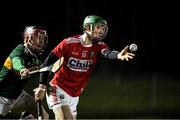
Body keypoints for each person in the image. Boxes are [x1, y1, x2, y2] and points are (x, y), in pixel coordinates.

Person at [34, 15, 136, 120]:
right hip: (58, 88)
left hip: (75, 95)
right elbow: (46, 64)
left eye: (103, 28)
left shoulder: (100, 46)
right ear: (87, 27)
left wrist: (118, 55)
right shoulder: (68, 43)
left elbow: (107, 53)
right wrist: (42, 86)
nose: (101, 31)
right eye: (98, 27)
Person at [0, 26, 49, 119]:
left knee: (44, 116)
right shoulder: (19, 50)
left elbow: (44, 70)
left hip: (19, 96)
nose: (42, 42)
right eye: (39, 38)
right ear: (28, 38)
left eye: (43, 39)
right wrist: (22, 69)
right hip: (2, 96)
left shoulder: (35, 58)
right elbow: (16, 61)